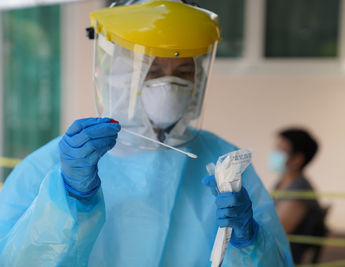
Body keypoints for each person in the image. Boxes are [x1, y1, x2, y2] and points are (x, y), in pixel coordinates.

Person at [0, 1, 293, 266]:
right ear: (118, 73)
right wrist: (69, 199)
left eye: (183, 70)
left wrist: (249, 242)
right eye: (153, 70)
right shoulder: (60, 163)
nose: (170, 84)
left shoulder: (225, 165)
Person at [268, 128, 327, 263]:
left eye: (280, 151)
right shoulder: (282, 183)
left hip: (281, 259)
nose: (274, 154)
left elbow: (276, 230)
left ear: (297, 159)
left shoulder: (300, 188)